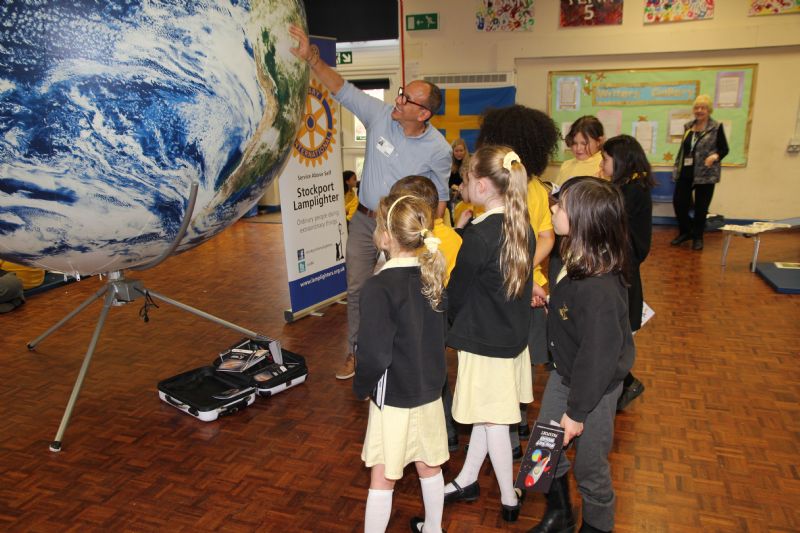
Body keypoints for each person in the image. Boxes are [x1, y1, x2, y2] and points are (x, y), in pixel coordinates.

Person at [289, 26, 452, 381]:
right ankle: (355, 353)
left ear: (423, 114)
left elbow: (439, 197)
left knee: (402, 293)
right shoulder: (379, 116)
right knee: (359, 288)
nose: (399, 100)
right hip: (365, 223)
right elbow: (340, 89)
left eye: (407, 99)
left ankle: (401, 356)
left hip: (405, 232)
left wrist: (428, 239)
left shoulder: (438, 149)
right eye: (401, 94)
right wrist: (311, 58)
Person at [529, 177, 635, 533]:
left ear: (584, 219)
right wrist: (552, 303)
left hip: (596, 389)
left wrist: (576, 414)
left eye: (560, 206)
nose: (554, 209)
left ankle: (596, 526)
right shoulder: (572, 255)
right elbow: (576, 316)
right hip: (567, 373)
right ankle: (560, 514)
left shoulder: (601, 288)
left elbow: (598, 357)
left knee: (589, 468)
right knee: (543, 450)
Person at [443, 145, 534, 523]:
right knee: (487, 414)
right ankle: (467, 479)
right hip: (511, 339)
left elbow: (457, 292)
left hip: (485, 343)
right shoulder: (521, 226)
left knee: (494, 422)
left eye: (464, 180)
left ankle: (508, 495)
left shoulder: (478, 238)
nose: (461, 185)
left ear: (481, 186)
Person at [353, 193, 449, 533]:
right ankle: (434, 528)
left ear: (385, 235)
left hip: (392, 396)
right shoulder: (432, 278)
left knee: (383, 473)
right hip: (429, 392)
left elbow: (374, 353)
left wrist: (362, 386)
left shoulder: (378, 287)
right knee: (429, 465)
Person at [474, 104, 560, 455]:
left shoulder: (499, 191)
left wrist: (514, 272)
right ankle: (521, 418)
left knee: (502, 363)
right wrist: (527, 271)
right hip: (534, 288)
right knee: (522, 360)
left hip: (504, 293)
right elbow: (548, 238)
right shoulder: (538, 188)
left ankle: (507, 438)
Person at [389, 175, 463, 453]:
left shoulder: (415, 245)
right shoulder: (453, 237)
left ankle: (432, 432)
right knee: (437, 371)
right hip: (446, 315)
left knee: (423, 374)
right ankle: (449, 431)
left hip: (422, 317)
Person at [601, 135, 655, 411]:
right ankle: (626, 383)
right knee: (616, 335)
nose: (601, 165)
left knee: (615, 335)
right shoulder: (626, 187)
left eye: (605, 160)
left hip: (624, 270)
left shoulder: (631, 191)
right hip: (623, 267)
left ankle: (626, 383)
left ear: (620, 161)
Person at [671, 94, 729, 251]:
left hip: (706, 173)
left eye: (703, 107)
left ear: (709, 110)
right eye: (697, 107)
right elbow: (685, 149)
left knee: (701, 207)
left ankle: (698, 237)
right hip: (687, 171)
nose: (699, 110)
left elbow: (724, 149)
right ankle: (686, 231)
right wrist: (677, 168)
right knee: (679, 202)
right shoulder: (688, 127)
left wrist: (715, 156)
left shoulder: (716, 127)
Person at [555, 116, 604, 185]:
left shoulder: (604, 166)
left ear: (598, 141)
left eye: (584, 143)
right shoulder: (566, 165)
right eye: (574, 143)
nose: (578, 148)